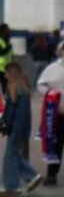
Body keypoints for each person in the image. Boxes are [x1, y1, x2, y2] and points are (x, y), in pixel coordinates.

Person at [0, 62, 42, 194]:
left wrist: (15, 132)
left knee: (10, 157)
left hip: (16, 130)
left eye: (7, 73)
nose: (5, 76)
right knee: (14, 155)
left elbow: (20, 116)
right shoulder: (19, 91)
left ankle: (12, 186)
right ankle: (32, 176)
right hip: (15, 129)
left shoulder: (20, 92)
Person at [36, 40, 64, 185]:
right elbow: (41, 84)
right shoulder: (52, 68)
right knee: (55, 144)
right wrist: (50, 93)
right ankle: (52, 174)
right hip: (57, 115)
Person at [0, 23, 13, 89]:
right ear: (3, 30)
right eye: (7, 29)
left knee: (5, 86)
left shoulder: (7, 41)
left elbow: (10, 56)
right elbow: (1, 52)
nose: (9, 31)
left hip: (6, 68)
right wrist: (9, 47)